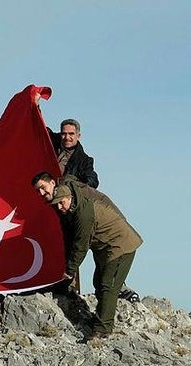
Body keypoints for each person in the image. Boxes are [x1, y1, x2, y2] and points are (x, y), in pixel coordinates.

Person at [49, 184, 142, 338]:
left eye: (61, 202)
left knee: (108, 284)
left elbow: (80, 246)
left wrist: (69, 270)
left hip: (120, 245)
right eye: (56, 204)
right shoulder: (74, 211)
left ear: (70, 198)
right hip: (105, 248)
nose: (59, 207)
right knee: (98, 282)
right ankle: (100, 319)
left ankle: (103, 329)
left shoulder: (84, 215)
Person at [31, 171, 140, 303]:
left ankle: (120, 291)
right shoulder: (59, 199)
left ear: (52, 182)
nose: (42, 193)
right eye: (38, 191)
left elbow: (79, 242)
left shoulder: (72, 194)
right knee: (99, 280)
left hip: (108, 231)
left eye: (43, 188)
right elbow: (68, 232)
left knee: (108, 279)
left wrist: (69, 270)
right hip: (99, 233)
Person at [47, 119, 99, 188]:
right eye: (64, 134)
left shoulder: (84, 161)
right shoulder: (50, 141)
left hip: (61, 195)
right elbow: (38, 126)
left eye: (71, 134)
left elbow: (93, 181)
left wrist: (72, 185)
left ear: (78, 136)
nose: (67, 137)